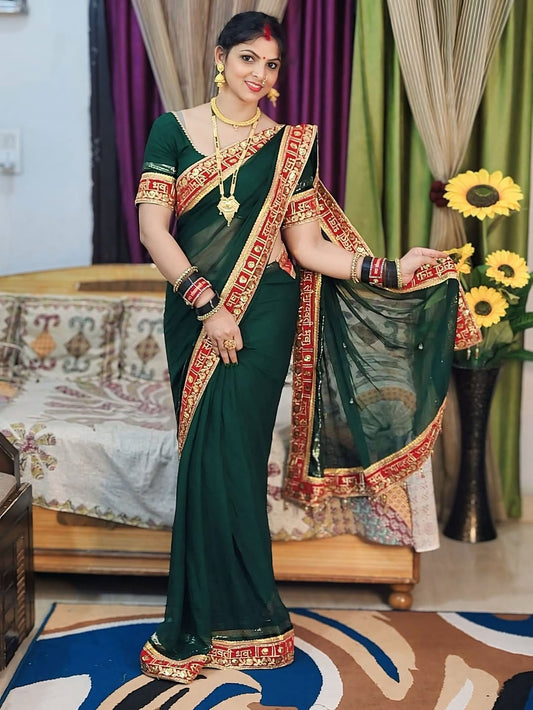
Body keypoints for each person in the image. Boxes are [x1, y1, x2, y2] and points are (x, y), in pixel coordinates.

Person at [135, 11, 479, 683]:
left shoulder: (289, 145)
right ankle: (206, 617)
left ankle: (247, 617)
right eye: (247, 59)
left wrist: (390, 270)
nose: (258, 74)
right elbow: (153, 230)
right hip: (197, 314)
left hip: (265, 313)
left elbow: (307, 247)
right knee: (203, 458)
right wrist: (207, 305)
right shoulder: (172, 129)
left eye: (270, 64)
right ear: (220, 58)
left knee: (235, 460)